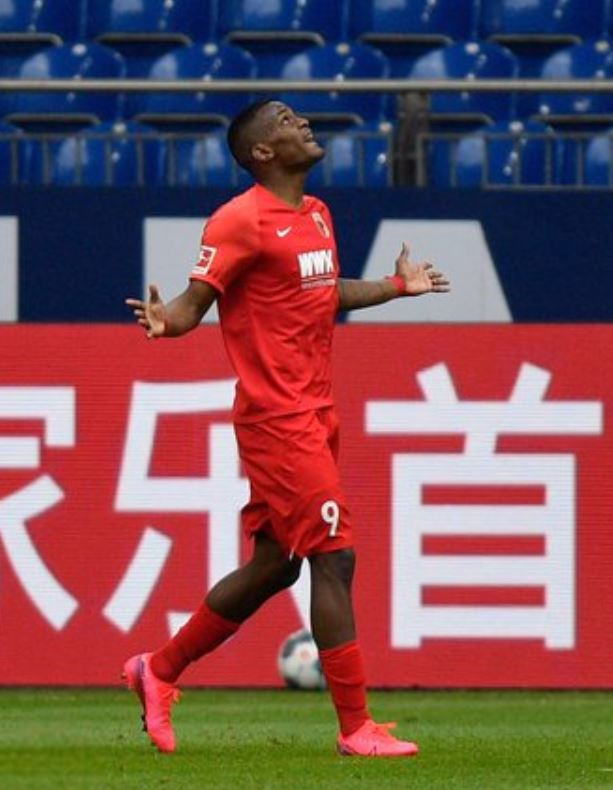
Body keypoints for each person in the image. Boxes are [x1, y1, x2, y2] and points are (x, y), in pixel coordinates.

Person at [122, 99, 449, 758]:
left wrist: (393, 287)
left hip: (315, 411)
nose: (301, 122)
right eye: (284, 120)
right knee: (336, 556)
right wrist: (168, 324)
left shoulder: (317, 214)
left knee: (275, 566)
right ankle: (356, 726)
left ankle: (156, 670)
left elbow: (322, 294)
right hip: (278, 418)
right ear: (261, 153)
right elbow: (193, 304)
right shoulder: (238, 219)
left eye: (298, 116)